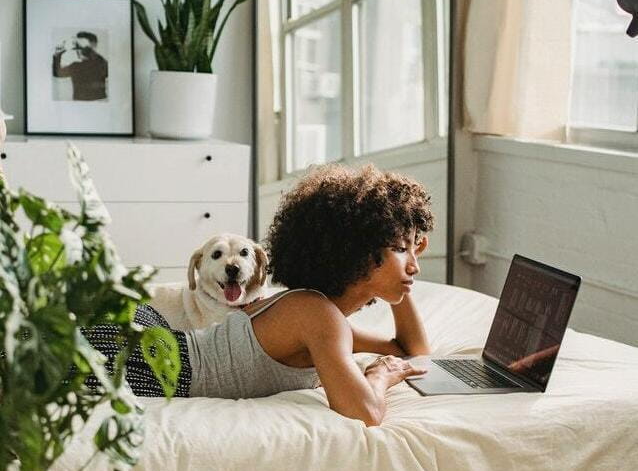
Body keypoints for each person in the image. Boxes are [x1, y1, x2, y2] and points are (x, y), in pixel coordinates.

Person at [84, 163, 435, 426]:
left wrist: (403, 275)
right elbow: (367, 413)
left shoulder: (318, 314)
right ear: (358, 251)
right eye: (401, 250)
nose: (414, 265)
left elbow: (413, 353)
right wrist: (380, 375)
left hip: (155, 342)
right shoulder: (317, 317)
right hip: (147, 358)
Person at [52, 31, 108, 101]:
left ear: (93, 45)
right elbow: (57, 73)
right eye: (77, 47)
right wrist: (57, 54)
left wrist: (57, 55)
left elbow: (57, 73)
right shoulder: (76, 66)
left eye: (80, 47)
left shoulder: (99, 64)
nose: (78, 51)